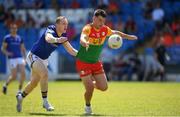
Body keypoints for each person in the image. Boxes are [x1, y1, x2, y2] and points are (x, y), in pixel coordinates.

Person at [76, 9, 137, 114]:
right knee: (90, 89)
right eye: (99, 20)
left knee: (104, 87)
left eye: (103, 21)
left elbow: (115, 32)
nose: (101, 23)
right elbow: (83, 37)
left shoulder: (105, 29)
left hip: (95, 62)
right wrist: (85, 42)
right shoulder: (88, 28)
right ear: (94, 18)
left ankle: (90, 84)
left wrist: (128, 36)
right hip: (83, 62)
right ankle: (87, 106)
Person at [16, 16, 78, 112]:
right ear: (57, 25)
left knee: (34, 83)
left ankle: (20, 97)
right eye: (63, 23)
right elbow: (48, 38)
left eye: (67, 24)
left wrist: (82, 55)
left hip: (43, 60)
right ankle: (45, 102)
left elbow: (71, 50)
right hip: (34, 56)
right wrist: (57, 40)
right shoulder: (51, 29)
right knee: (45, 73)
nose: (66, 26)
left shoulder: (63, 35)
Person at [1, 23, 26, 95]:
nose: (14, 29)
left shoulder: (19, 38)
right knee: (14, 76)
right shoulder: (7, 38)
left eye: (15, 28)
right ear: (10, 29)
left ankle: (19, 90)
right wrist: (7, 53)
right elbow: (3, 48)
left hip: (19, 57)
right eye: (12, 28)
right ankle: (5, 85)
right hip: (12, 58)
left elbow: (23, 49)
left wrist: (24, 58)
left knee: (23, 73)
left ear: (17, 29)